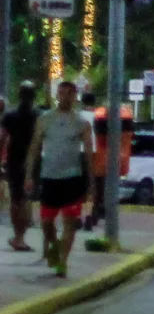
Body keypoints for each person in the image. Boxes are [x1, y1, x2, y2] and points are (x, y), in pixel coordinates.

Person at [30, 81, 92, 278]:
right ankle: (55, 246)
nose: (64, 97)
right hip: (49, 177)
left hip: (72, 178)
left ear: (75, 97)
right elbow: (35, 149)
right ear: (57, 94)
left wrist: (90, 183)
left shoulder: (82, 123)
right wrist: (29, 175)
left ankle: (62, 262)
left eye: (69, 93)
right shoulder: (44, 120)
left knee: (69, 222)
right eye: (61, 92)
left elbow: (89, 155)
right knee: (46, 221)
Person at [2, 80, 35, 251]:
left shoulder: (10, 116)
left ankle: (19, 237)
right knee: (26, 198)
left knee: (16, 200)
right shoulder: (38, 115)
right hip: (34, 161)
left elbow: (2, 138)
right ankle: (21, 237)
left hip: (15, 160)